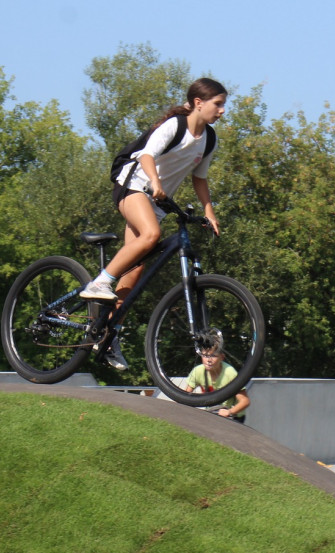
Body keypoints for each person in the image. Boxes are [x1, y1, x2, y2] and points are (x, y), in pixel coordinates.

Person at [81, 78, 228, 370]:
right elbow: (147, 155)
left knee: (136, 269)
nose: (222, 111)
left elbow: (200, 177)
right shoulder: (175, 125)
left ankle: (105, 333)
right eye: (218, 104)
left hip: (157, 200)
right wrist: (157, 183)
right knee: (151, 235)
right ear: (199, 103)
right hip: (133, 183)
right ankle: (100, 282)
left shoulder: (209, 139)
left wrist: (209, 211)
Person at [184, 349, 250, 420]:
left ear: (222, 357)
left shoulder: (230, 373)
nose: (209, 360)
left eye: (213, 356)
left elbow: (245, 401)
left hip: (234, 416)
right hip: (213, 413)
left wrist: (229, 412)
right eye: (205, 355)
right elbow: (185, 396)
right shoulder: (198, 371)